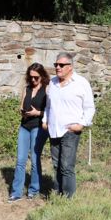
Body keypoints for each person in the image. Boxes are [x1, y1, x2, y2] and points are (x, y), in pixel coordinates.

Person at [42, 52, 95, 198]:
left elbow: (89, 107)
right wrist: (44, 121)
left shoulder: (81, 83)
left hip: (70, 131)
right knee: (56, 166)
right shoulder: (52, 83)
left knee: (66, 166)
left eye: (61, 65)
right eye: (56, 65)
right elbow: (48, 106)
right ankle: (58, 196)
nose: (57, 67)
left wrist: (82, 125)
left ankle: (68, 199)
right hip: (53, 130)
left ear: (70, 67)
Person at [8, 63, 49, 202]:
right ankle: (16, 192)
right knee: (20, 160)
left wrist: (37, 112)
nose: (33, 80)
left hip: (38, 127)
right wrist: (23, 112)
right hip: (24, 126)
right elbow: (21, 106)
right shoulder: (27, 89)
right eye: (30, 77)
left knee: (35, 159)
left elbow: (52, 111)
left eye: (36, 78)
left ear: (42, 76)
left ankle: (34, 190)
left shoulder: (47, 89)